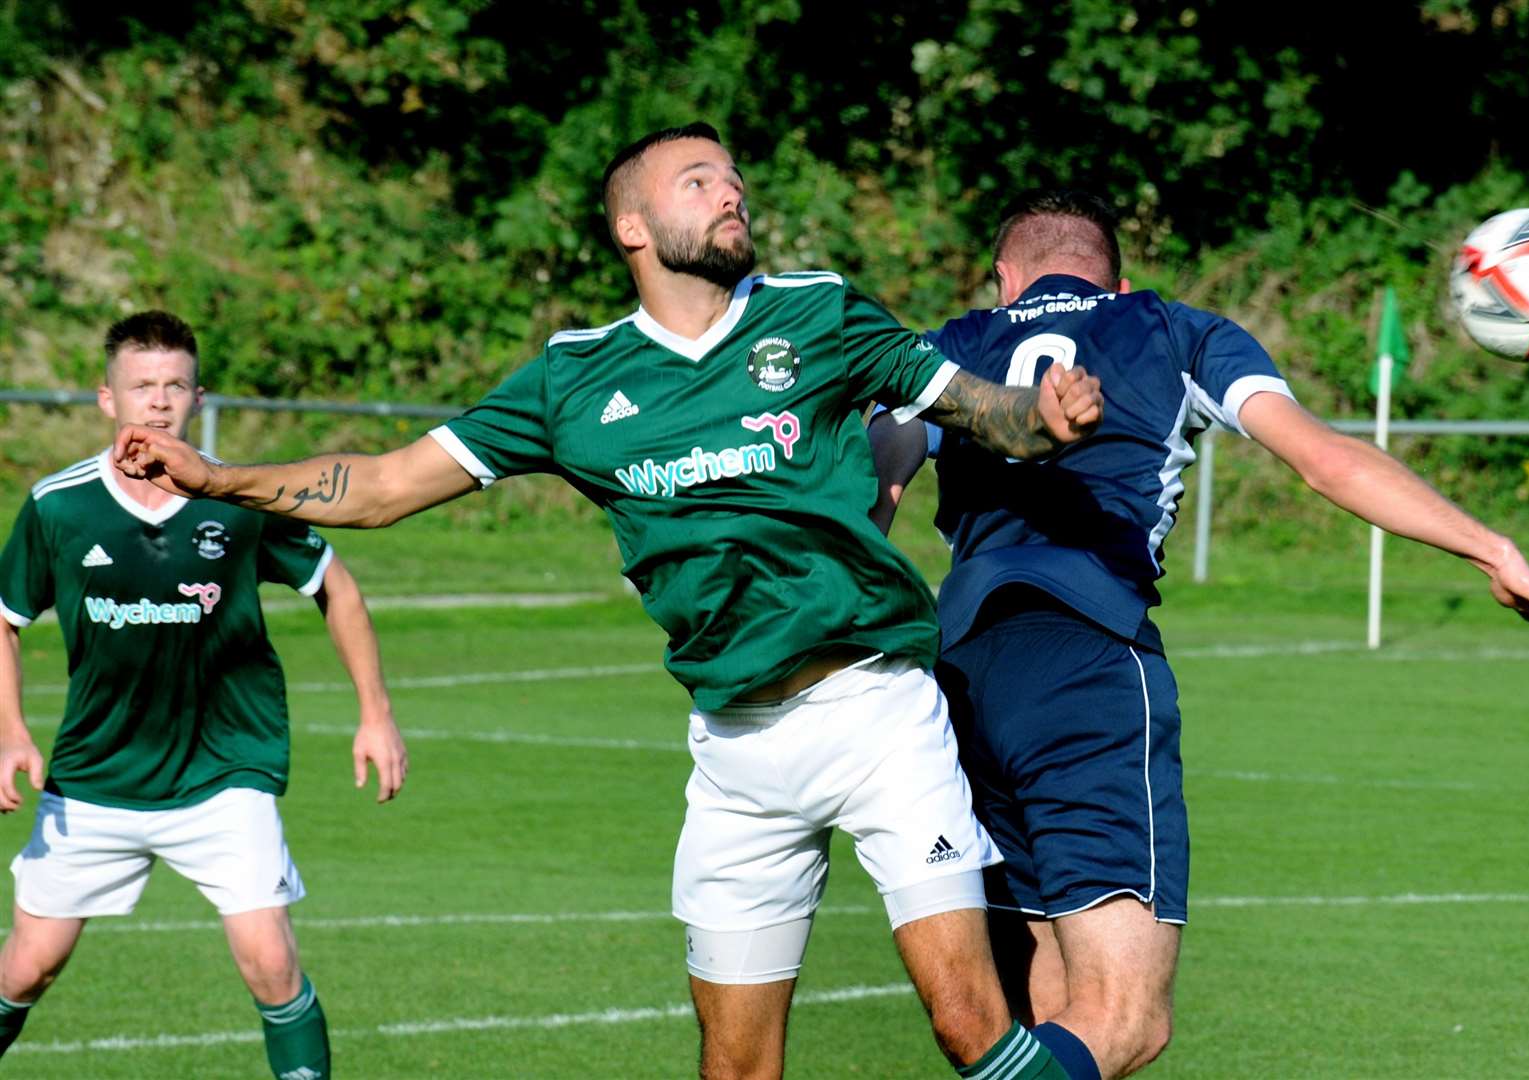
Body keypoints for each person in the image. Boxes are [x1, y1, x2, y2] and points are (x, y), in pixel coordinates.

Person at [111, 125, 1105, 1080]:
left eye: (735, 181)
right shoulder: (573, 380)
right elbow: (379, 486)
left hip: (878, 713)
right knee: (735, 1065)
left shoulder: (821, 315)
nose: (731, 193)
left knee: (970, 1022)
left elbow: (986, 410)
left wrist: (1042, 416)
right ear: (632, 226)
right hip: (735, 750)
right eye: (699, 181)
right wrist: (218, 476)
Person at [866, 188, 1529, 1080]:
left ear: (1005, 281)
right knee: (1122, 1019)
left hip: (961, 680)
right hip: (1087, 662)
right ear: (1119, 278)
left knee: (1047, 1017)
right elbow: (1322, 458)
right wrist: (1490, 547)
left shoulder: (946, 350)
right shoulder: (1175, 332)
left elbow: (870, 497)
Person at [0, 310, 408, 1079]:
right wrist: (11, 732)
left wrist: (375, 716)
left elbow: (338, 588)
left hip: (224, 770)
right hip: (96, 777)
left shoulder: (240, 499)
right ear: (106, 399)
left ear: (197, 397)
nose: (158, 402)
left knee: (268, 961)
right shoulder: (59, 505)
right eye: (141, 386)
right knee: (26, 968)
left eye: (175, 386)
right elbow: (5, 618)